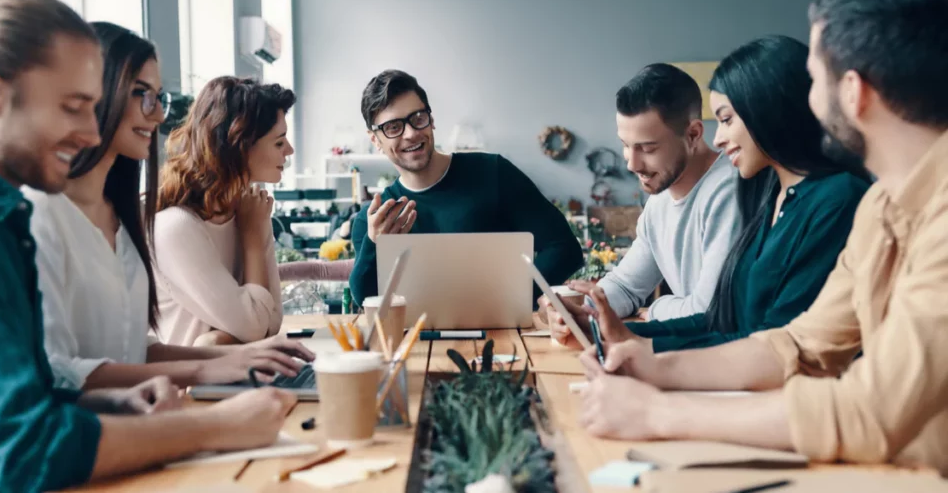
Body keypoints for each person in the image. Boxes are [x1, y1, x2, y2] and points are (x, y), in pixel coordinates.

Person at [571, 0, 948, 473]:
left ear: (854, 93)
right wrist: (655, 365)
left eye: (815, 79)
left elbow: (872, 409)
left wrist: (662, 411)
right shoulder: (882, 207)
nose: (809, 99)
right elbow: (799, 344)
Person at [0, 0, 295, 492]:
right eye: (73, 107)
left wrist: (102, 402)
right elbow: (20, 449)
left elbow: (25, 392)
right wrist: (216, 426)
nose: (92, 133)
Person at [26, 22, 312, 391]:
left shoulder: (123, 217)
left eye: (159, 98)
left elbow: (135, 350)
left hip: (147, 415)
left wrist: (237, 358)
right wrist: (213, 363)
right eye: (143, 95)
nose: (160, 114)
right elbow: (58, 373)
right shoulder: (43, 215)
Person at [548, 36, 871, 352]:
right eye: (625, 146)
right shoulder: (775, 196)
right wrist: (605, 326)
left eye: (727, 119)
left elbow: (773, 343)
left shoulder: (825, 198)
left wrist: (644, 342)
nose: (718, 139)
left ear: (768, 112)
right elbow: (727, 321)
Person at [348, 69, 582, 306]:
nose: (411, 133)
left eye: (418, 118)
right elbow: (366, 299)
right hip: (417, 341)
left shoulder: (493, 172)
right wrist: (373, 243)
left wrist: (512, 298)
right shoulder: (376, 221)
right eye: (393, 127)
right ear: (376, 140)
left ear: (432, 119)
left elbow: (563, 248)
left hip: (502, 337)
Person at [577, 63, 741, 322]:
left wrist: (654, 310)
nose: (632, 164)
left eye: (648, 148)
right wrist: (584, 311)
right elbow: (625, 286)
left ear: (693, 134)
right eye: (626, 145)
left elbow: (709, 312)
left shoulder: (728, 193)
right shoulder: (660, 199)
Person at [155, 76, 296, 346]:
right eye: (279, 142)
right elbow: (256, 327)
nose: (289, 150)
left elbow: (272, 320)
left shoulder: (248, 209)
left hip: (242, 377)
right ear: (240, 146)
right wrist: (253, 237)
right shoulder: (177, 227)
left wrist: (221, 338)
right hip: (189, 386)